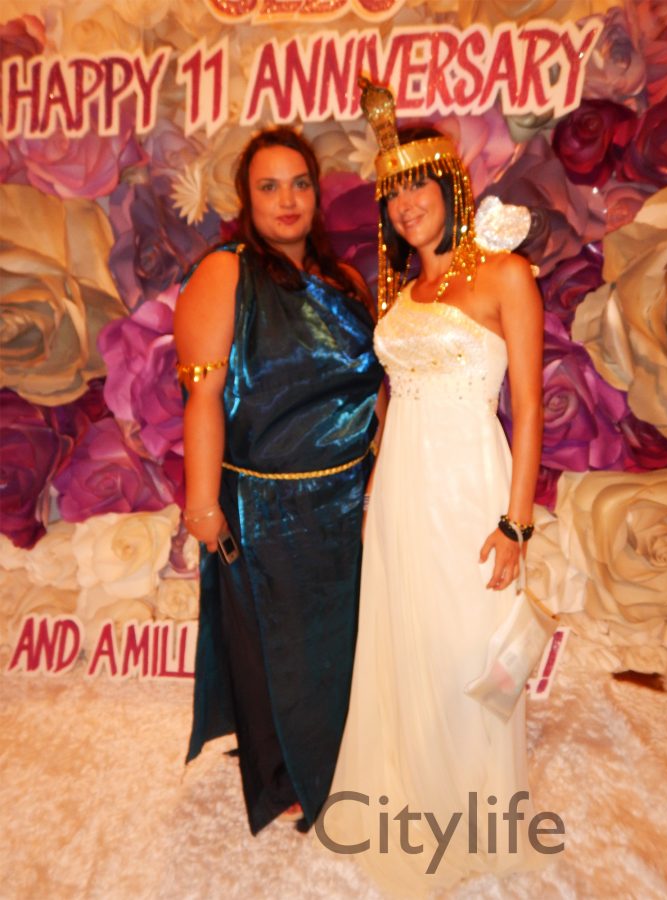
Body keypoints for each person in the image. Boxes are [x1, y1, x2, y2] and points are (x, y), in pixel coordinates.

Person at [317, 80, 549, 894]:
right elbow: (392, 400)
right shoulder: (400, 290)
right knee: (402, 641)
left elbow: (528, 407)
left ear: (451, 185)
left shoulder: (505, 275)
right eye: (391, 192)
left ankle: (471, 815)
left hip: (468, 489)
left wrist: (515, 523)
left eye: (418, 184)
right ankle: (408, 797)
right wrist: (373, 492)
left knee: (463, 646)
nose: (404, 203)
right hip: (400, 494)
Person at [173, 126, 385, 834]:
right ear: (246, 198)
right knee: (276, 646)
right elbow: (203, 396)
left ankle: (339, 755)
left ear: (316, 195)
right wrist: (202, 504)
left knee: (341, 642)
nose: (287, 199)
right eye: (269, 186)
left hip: (350, 500)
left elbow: (375, 391)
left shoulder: (345, 281)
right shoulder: (225, 273)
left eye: (299, 183)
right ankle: (285, 772)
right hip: (267, 504)